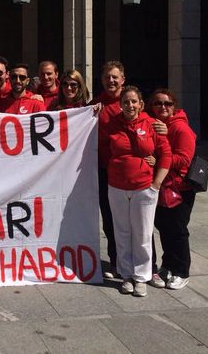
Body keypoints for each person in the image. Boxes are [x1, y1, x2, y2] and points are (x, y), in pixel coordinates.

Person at [105, 86, 171, 297]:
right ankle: (125, 274)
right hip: (117, 187)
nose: (130, 105)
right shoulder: (112, 124)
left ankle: (142, 276)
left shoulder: (152, 124)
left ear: (141, 104)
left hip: (144, 188)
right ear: (121, 104)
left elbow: (166, 155)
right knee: (122, 233)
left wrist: (157, 184)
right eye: (126, 102)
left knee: (142, 234)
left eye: (134, 101)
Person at [148, 88, 197, 290]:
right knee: (165, 229)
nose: (163, 107)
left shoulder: (180, 128)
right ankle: (168, 266)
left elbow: (184, 159)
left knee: (177, 231)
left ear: (174, 106)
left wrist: (159, 160)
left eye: (167, 104)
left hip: (180, 188)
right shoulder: (156, 125)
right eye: (158, 103)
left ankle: (182, 271)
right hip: (163, 186)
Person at [90, 60, 125, 278]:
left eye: (115, 77)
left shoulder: (132, 102)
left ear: (123, 79)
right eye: (106, 77)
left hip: (128, 173)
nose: (110, 81)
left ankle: (144, 265)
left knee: (135, 220)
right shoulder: (95, 104)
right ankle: (116, 261)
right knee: (110, 218)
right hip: (104, 171)